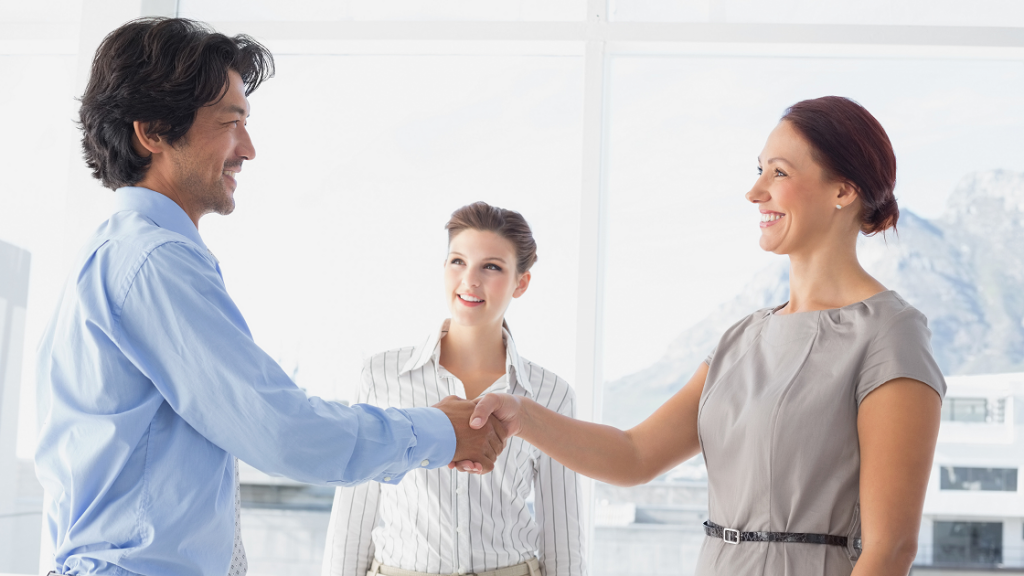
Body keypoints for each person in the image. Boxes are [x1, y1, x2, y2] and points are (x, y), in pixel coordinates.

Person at [35, 18, 506, 576]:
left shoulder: (119, 256)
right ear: (154, 131)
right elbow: (282, 429)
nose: (249, 149)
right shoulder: (153, 263)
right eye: (231, 123)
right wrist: (439, 431)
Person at [468, 96, 946, 576]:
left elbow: (891, 548)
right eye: (759, 170)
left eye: (778, 173)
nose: (755, 191)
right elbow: (635, 455)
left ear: (842, 190)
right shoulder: (741, 338)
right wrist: (521, 416)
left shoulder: (889, 334)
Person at [322, 202, 586, 576]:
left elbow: (564, 537)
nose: (470, 281)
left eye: (491, 267)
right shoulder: (380, 376)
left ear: (521, 282)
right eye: (458, 261)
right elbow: (353, 516)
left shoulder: (552, 395)